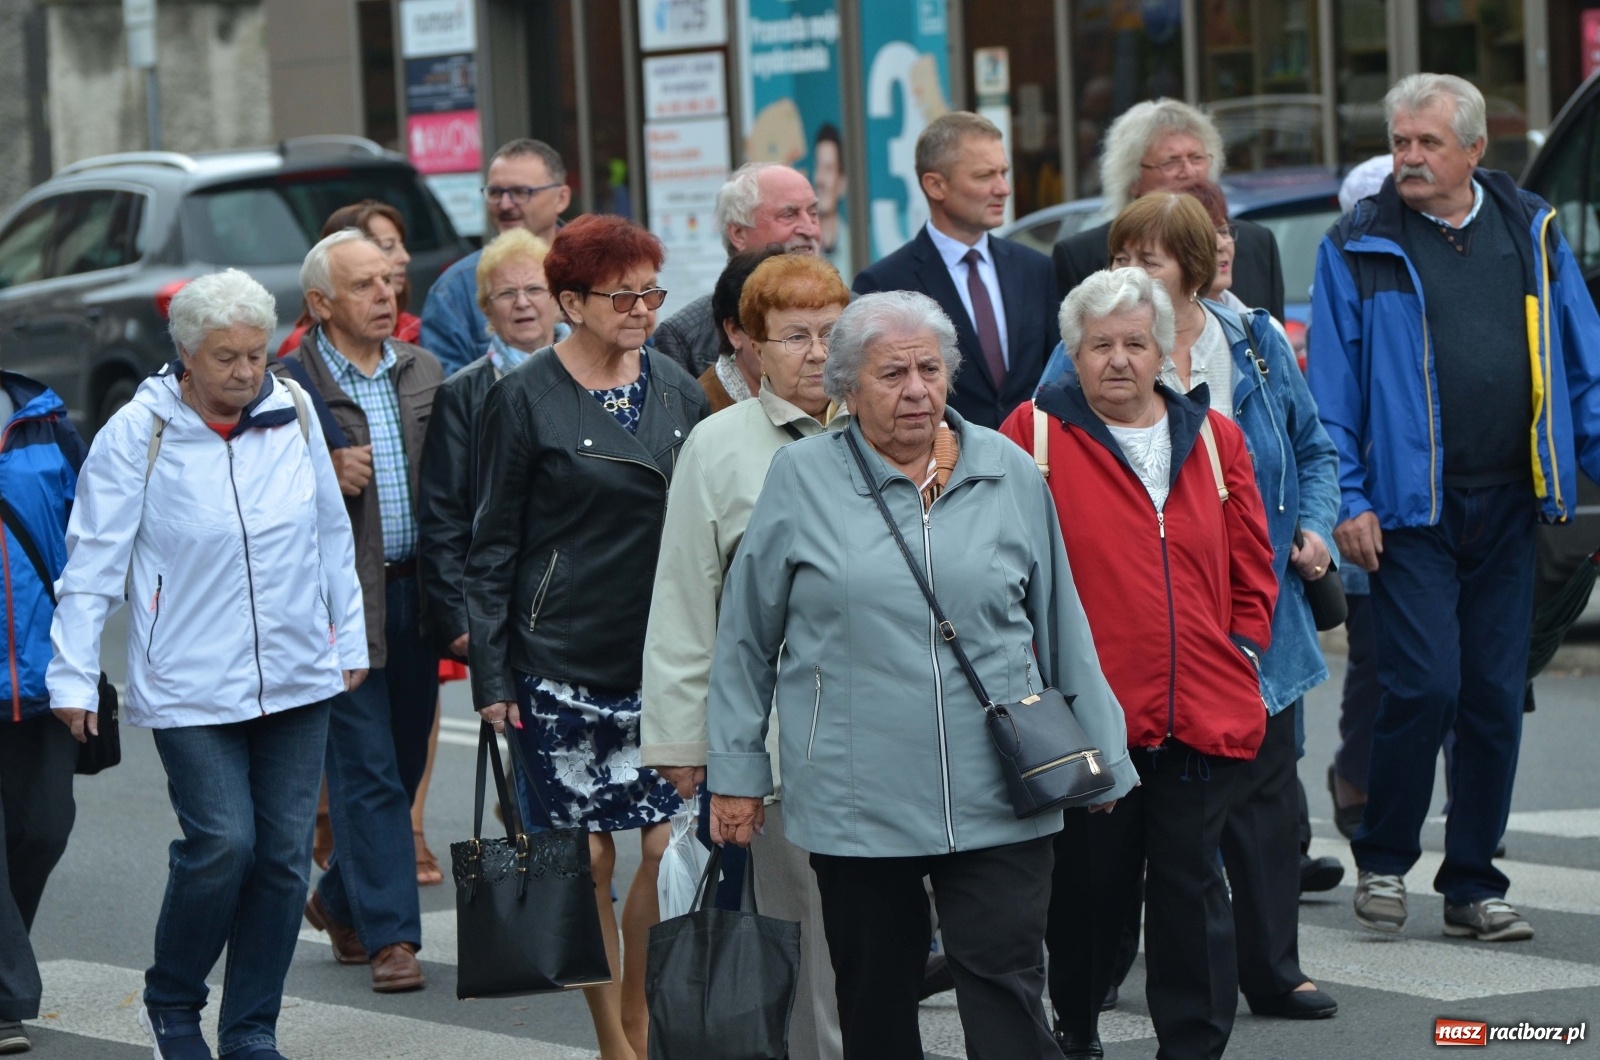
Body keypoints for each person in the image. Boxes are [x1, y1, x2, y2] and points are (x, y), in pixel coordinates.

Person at [706, 290, 1137, 1060]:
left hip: (1004, 781)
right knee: (874, 994)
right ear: (845, 386)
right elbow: (745, 638)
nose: (916, 390)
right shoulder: (800, 480)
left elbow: (1061, 620)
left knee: (1005, 977)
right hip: (855, 792)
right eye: (892, 373)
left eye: (930, 370)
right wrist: (736, 771)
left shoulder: (1006, 469)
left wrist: (1102, 757)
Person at [1309, 73, 1600, 943]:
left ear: (1475, 150)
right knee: (1424, 684)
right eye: (1400, 142)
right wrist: (1348, 500)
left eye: (1427, 143)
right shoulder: (1359, 245)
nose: (1409, 158)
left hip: (1513, 505)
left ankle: (1474, 883)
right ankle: (1388, 858)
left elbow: (1584, 372)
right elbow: (1333, 391)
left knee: (1491, 697)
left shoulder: (1532, 230)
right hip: (1408, 516)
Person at [46, 270, 366, 1060]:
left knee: (285, 862)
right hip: (189, 680)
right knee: (224, 844)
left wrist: (348, 638)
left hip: (296, 670)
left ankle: (251, 1027)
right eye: (227, 357)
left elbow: (331, 532)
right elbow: (91, 563)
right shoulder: (138, 431)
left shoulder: (290, 411)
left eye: (257, 354)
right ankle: (174, 1005)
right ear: (186, 355)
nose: (247, 372)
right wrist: (73, 673)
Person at [1000, 267, 1278, 1060]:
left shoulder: (1216, 438)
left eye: (1135, 343)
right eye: (1100, 345)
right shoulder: (1032, 433)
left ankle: (1191, 1046)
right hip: (1089, 716)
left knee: (1192, 890)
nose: (1118, 360)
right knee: (1092, 893)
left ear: (1164, 349)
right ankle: (1079, 1025)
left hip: (1201, 710)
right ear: (1072, 355)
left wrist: (1243, 651)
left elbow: (1254, 566)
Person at [466, 214, 709, 1060]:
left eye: (652, 291)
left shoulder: (679, 386)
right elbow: (490, 545)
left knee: (664, 847)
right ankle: (614, 1040)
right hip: (559, 662)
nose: (643, 309)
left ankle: (639, 1016)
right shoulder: (523, 396)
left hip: (663, 655)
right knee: (589, 862)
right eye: (622, 295)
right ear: (570, 301)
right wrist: (492, 677)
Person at [1103, 192, 1342, 1018]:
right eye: (1123, 256)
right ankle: (1099, 970)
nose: (1132, 273)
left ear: (1195, 268)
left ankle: (1273, 969)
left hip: (1257, 612)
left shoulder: (1257, 341)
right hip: (1144, 621)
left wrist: (1315, 529)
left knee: (1266, 801)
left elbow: (1314, 449)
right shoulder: (1094, 347)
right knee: (1138, 812)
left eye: (1152, 258)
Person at [640, 253, 852, 1060]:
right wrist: (688, 748)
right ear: (752, 348)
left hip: (889, 729)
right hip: (773, 737)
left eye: (832, 332)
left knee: (878, 940)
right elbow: (687, 607)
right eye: (793, 335)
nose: (816, 353)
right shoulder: (718, 446)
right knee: (798, 935)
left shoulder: (884, 426)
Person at [279, 229, 443, 992]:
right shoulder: (285, 388)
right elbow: (245, 502)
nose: (386, 296)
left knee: (403, 762)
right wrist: (317, 471)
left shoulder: (424, 370)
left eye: (389, 281)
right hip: (336, 607)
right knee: (370, 770)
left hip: (415, 598)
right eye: (364, 286)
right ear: (320, 303)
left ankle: (339, 897)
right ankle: (392, 939)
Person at [852, 112, 1058, 430]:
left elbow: (1052, 378)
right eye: (984, 176)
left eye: (1004, 173)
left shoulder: (1035, 269)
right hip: (942, 468)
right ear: (935, 186)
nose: (1003, 188)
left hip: (1031, 467)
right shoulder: (884, 284)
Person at [419, 227, 555, 673]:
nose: (522, 302)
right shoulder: (462, 393)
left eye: (535, 288)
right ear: (485, 310)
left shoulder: (598, 375)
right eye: (506, 293)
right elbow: (443, 514)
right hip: (504, 604)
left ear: (559, 298)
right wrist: (459, 619)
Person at [0, 367, 87, 1057]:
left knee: (43, 829)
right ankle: (5, 1000)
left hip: (40, 674)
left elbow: (94, 537)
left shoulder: (45, 420)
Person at [1052, 99, 1285, 320]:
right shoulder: (1083, 256)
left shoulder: (1255, 243)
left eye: (1196, 158)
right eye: (1171, 162)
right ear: (1133, 179)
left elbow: (1273, 352)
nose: (1189, 171)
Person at [651, 163, 821, 377]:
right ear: (738, 233)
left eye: (814, 213)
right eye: (789, 215)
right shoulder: (684, 337)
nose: (810, 229)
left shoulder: (855, 315)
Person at [421, 138, 571, 375]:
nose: (505, 204)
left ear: (561, 198)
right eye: (495, 192)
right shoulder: (454, 290)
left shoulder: (597, 270)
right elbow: (451, 396)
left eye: (521, 192)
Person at [279, 200, 421, 356]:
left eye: (385, 280)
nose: (405, 258)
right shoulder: (300, 348)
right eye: (387, 247)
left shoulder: (418, 332)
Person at [697, 245, 787, 411]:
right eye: (789, 334)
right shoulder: (700, 404)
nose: (814, 353)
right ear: (733, 331)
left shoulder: (819, 392)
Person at [813, 123, 850, 273]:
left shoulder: (855, 247)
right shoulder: (801, 249)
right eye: (818, 167)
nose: (820, 179)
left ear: (842, 184)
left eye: (828, 169)